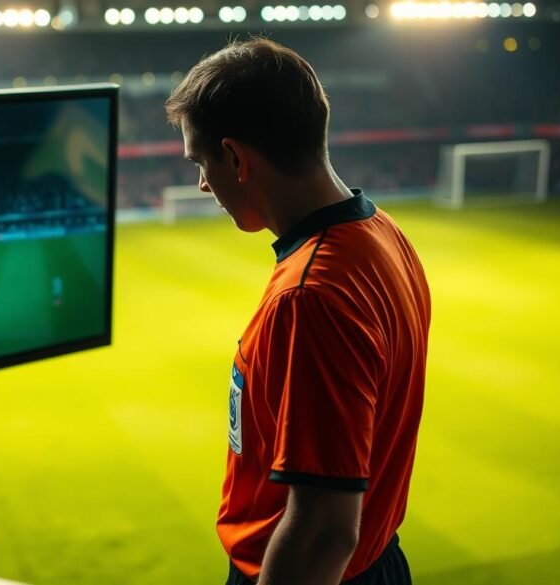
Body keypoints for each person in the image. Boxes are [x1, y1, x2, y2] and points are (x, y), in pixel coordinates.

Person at [165, 38, 430, 585]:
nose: (201, 182)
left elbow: (322, 531)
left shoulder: (310, 298)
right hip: (379, 561)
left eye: (201, 160)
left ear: (237, 159)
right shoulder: (383, 233)